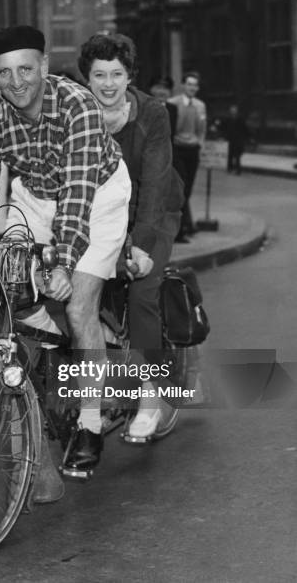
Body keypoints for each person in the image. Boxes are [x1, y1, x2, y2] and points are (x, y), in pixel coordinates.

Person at [0, 25, 131, 476]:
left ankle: (88, 423)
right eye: (4, 72)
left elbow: (79, 188)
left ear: (44, 66)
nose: (16, 82)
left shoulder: (78, 103)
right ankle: (61, 350)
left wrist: (64, 262)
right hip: (34, 198)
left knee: (79, 307)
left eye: (25, 68)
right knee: (12, 292)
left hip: (99, 196)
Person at [78, 33, 184, 440]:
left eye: (117, 74)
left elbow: (156, 182)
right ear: (86, 78)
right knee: (82, 295)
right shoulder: (77, 112)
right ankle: (97, 394)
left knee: (141, 293)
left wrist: (140, 245)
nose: (108, 83)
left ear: (129, 76)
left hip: (154, 212)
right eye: (99, 74)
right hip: (103, 213)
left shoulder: (152, 112)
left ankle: (150, 397)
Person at [169, 72, 207, 243]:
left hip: (192, 150)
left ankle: (186, 224)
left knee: (188, 189)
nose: (192, 88)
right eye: (189, 84)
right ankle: (181, 228)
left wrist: (199, 143)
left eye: (195, 85)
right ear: (183, 85)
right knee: (181, 188)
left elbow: (202, 129)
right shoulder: (173, 103)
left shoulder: (200, 106)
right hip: (177, 149)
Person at [149, 75, 178, 141]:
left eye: (166, 88)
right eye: (159, 88)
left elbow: (173, 133)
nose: (162, 92)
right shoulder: (145, 107)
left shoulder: (173, 108)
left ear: (170, 92)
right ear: (151, 90)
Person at [221, 104, 248, 175]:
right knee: (229, 155)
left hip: (238, 139)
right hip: (230, 139)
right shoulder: (228, 119)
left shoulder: (240, 119)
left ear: (237, 111)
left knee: (237, 155)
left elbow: (244, 128)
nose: (233, 111)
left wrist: (245, 137)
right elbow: (225, 128)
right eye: (232, 110)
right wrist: (224, 137)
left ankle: (238, 169)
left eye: (234, 110)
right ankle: (230, 168)